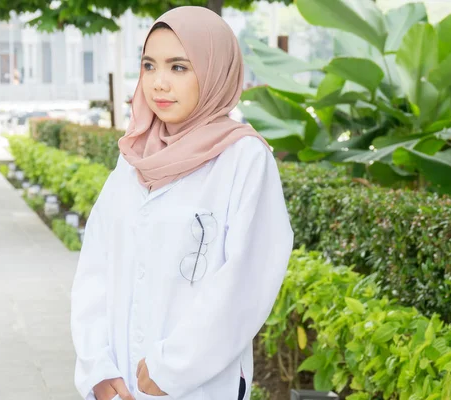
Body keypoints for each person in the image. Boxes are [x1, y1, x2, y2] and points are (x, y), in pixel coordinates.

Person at [70, 6, 294, 400]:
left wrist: (172, 367)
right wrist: (96, 365)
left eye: (178, 67)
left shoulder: (243, 158)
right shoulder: (133, 158)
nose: (159, 83)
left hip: (199, 385)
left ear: (214, 71)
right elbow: (96, 267)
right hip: (119, 379)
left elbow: (247, 279)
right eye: (149, 65)